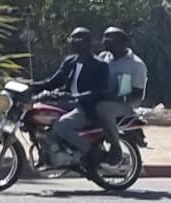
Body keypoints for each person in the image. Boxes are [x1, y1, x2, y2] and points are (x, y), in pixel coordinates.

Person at [34, 27, 115, 167]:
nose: (72, 42)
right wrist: (31, 86)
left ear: (86, 42)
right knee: (37, 113)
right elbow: (54, 81)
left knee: (61, 126)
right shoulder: (70, 61)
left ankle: (92, 152)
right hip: (66, 103)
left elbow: (100, 91)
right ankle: (50, 152)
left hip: (87, 107)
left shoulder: (100, 65)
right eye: (71, 39)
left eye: (76, 39)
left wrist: (76, 96)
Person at [99, 28, 146, 118]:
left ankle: (112, 132)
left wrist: (119, 98)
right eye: (104, 38)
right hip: (101, 100)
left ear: (121, 42)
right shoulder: (102, 57)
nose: (104, 41)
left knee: (103, 109)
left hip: (123, 106)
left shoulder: (136, 64)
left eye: (109, 39)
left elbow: (138, 96)